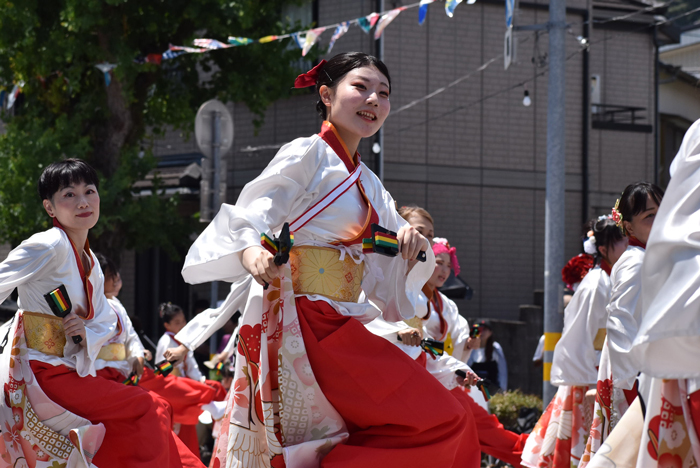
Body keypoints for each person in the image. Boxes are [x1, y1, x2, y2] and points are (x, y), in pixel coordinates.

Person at [165, 52, 470, 468]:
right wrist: (253, 249)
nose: (374, 99)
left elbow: (388, 262)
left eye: (384, 93)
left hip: (343, 319)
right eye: (360, 87)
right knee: (439, 419)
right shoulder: (306, 152)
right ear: (326, 94)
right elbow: (257, 210)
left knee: (444, 418)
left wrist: (409, 243)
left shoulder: (370, 183)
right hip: (306, 319)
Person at [0, 158, 203, 467]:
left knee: (152, 411)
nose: (83, 202)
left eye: (89, 191)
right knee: (149, 408)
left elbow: (104, 322)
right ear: (49, 207)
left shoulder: (92, 262)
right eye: (69, 194)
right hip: (44, 373)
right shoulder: (49, 244)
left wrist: (85, 332)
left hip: (70, 369)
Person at [522, 216, 627, 468]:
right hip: (590, 378)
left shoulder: (616, 278)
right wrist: (590, 382)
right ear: (603, 249)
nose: (627, 243)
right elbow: (578, 336)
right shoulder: (596, 284)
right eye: (620, 239)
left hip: (609, 372)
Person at [580, 181, 664, 466]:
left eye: (662, 210)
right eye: (649, 216)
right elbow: (620, 326)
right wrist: (633, 390)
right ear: (628, 227)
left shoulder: (649, 257)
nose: (660, 219)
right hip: (636, 379)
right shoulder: (636, 262)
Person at [155, 303, 227, 459]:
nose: (182, 325)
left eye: (183, 321)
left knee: (216, 386)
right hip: (174, 388)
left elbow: (192, 366)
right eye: (177, 322)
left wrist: (199, 380)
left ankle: (220, 428)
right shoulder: (166, 341)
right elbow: (164, 372)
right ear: (167, 325)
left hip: (186, 383)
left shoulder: (183, 341)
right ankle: (212, 408)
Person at [468, 320, 508, 391]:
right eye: (479, 329)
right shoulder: (469, 349)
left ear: (490, 332)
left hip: (491, 391)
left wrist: (502, 389)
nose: (481, 332)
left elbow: (502, 371)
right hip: (473, 390)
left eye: (485, 329)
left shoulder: (495, 348)